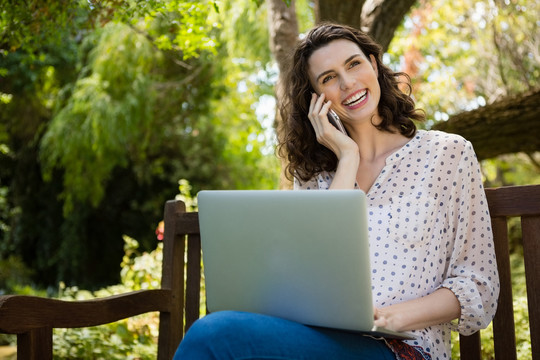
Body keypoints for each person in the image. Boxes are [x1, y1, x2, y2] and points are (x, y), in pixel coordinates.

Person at [173, 23, 499, 360]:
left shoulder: (447, 154)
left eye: (354, 64)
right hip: (317, 340)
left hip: (403, 348)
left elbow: (478, 285)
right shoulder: (315, 176)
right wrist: (347, 157)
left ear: (373, 64)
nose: (347, 84)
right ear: (316, 99)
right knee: (218, 332)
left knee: (215, 335)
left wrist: (392, 316)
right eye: (328, 78)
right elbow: (306, 275)